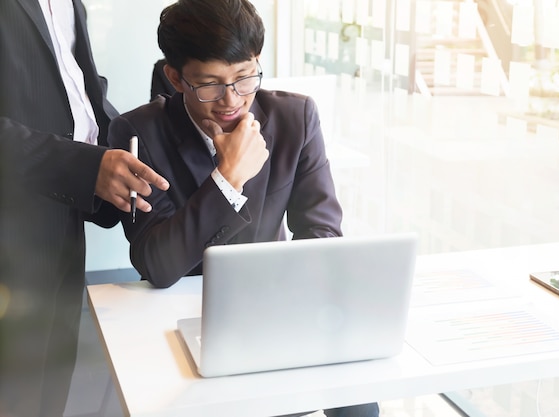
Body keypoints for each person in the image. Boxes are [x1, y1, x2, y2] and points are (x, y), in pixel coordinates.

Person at [107, 0, 379, 415]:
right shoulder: (137, 133)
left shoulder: (295, 117)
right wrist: (227, 179)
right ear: (176, 78)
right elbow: (157, 264)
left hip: (274, 306)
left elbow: (322, 235)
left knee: (358, 395)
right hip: (181, 321)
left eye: (244, 77)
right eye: (210, 83)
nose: (231, 100)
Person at [0, 1, 169, 416]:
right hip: (10, 228)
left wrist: (137, 146)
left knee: (49, 388)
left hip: (63, 220)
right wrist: (84, 166)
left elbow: (77, 92)